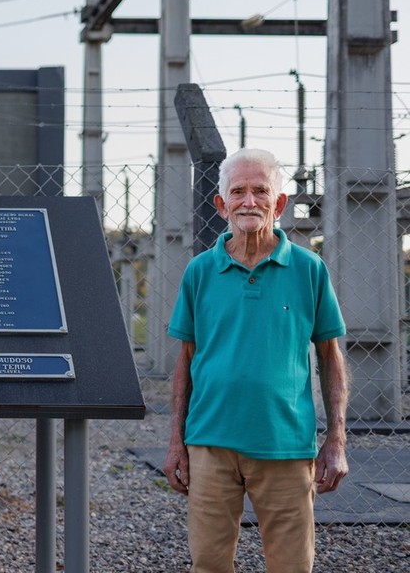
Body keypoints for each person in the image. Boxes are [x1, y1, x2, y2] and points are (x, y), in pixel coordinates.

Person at [163, 148, 349, 573]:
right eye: (238, 192)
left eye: (261, 191)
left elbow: (330, 357)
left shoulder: (309, 269)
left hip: (285, 446)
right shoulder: (199, 272)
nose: (250, 202)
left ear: (279, 203)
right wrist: (176, 441)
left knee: (291, 566)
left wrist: (336, 440)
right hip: (209, 443)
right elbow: (185, 360)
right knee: (208, 564)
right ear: (221, 204)